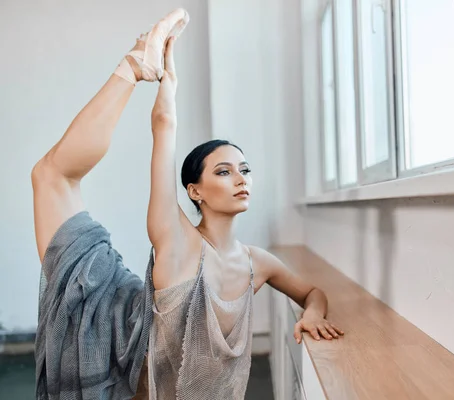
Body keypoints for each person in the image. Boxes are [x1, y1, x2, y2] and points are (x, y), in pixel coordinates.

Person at [32, 8, 343, 400]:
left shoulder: (257, 263)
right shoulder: (176, 240)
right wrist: (160, 80)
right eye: (224, 171)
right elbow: (163, 126)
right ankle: (131, 66)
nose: (241, 178)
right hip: (116, 335)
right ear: (194, 191)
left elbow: (312, 293)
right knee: (50, 177)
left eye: (244, 170)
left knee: (51, 177)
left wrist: (313, 313)